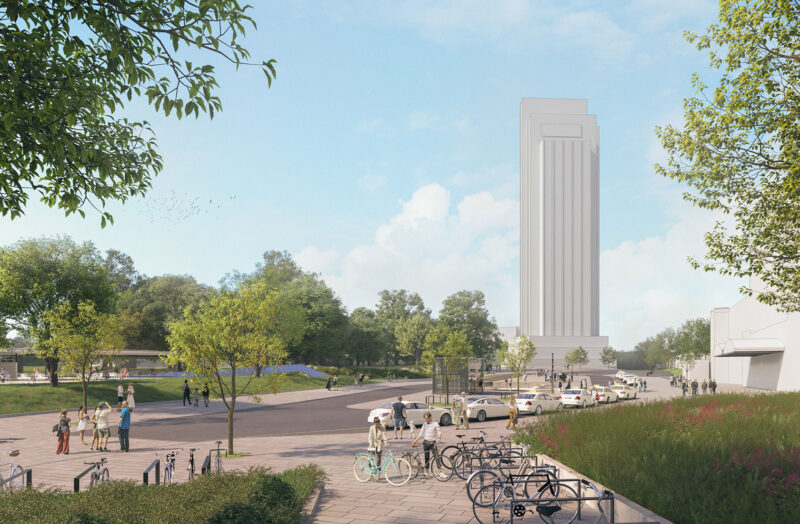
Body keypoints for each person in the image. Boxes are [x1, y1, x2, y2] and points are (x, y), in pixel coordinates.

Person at [411, 411, 442, 477]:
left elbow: (439, 432)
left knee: (437, 457)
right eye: (425, 418)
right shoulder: (424, 424)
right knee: (426, 458)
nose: (426, 420)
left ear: (430, 417)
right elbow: (420, 434)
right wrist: (414, 441)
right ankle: (427, 473)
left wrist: (439, 438)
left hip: (433, 442)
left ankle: (441, 472)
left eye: (427, 418)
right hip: (426, 443)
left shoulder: (435, 423)